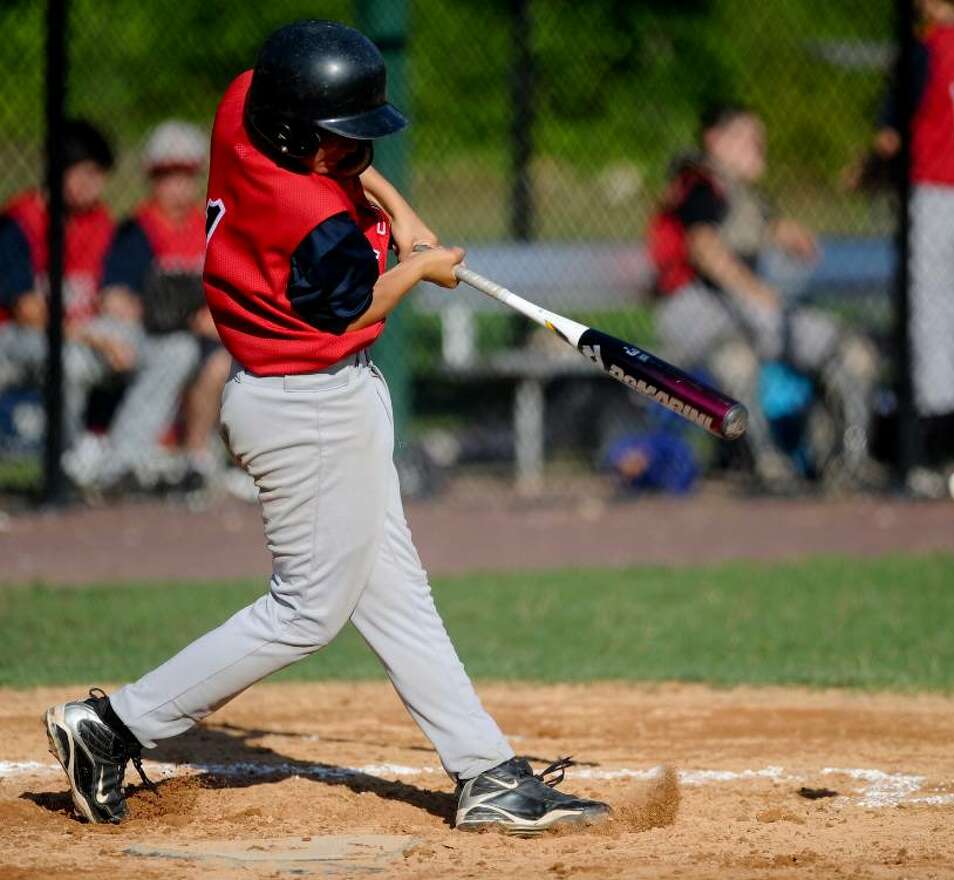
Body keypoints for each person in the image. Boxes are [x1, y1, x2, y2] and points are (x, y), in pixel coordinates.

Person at [42, 20, 609, 835]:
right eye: (338, 142)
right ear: (292, 135)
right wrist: (418, 268)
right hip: (306, 408)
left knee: (396, 593)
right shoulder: (310, 221)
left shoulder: (247, 103)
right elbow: (359, 306)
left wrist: (402, 212)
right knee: (306, 612)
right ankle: (113, 726)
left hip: (305, 394)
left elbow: (348, 162)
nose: (353, 154)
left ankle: (483, 770)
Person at [650, 103, 880, 488]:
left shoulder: (746, 194)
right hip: (694, 306)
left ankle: (851, 460)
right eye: (746, 138)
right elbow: (704, 249)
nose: (758, 147)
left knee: (854, 354)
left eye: (759, 139)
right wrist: (756, 291)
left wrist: (791, 236)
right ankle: (765, 464)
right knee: (736, 361)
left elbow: (766, 225)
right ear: (715, 140)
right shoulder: (700, 184)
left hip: (745, 308)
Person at [860, 0, 954, 478]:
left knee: (929, 319)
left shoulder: (925, 48)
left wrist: (865, 173)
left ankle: (925, 451)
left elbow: (890, 138)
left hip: (936, 194)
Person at [65, 121, 232, 492]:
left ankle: (198, 460)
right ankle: (102, 461)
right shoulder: (136, 230)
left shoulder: (210, 226)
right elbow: (115, 299)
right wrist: (179, 316)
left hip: (208, 338)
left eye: (185, 174)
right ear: (152, 178)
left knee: (218, 359)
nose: (176, 184)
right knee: (180, 350)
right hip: (154, 336)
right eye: (166, 175)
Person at [0, 120, 140, 445]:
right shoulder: (18, 223)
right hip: (17, 337)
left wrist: (124, 309)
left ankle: (125, 453)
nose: (96, 184)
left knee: (161, 349)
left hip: (81, 334)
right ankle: (70, 453)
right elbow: (29, 314)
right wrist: (98, 339)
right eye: (87, 173)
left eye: (100, 174)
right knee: (70, 360)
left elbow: (111, 295)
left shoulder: (100, 221)